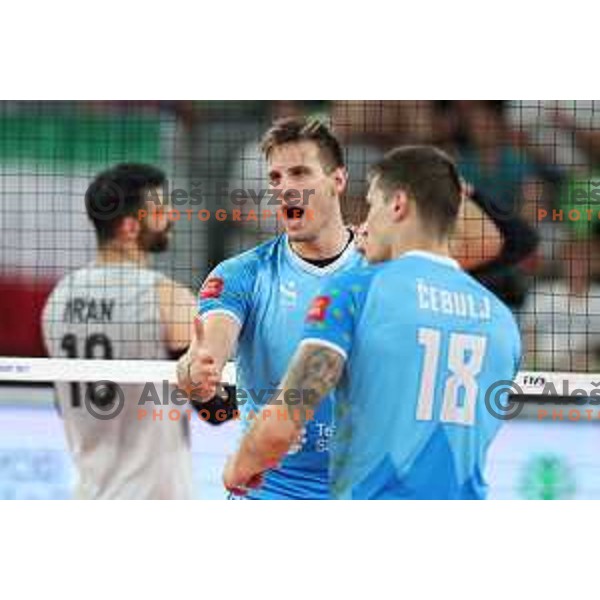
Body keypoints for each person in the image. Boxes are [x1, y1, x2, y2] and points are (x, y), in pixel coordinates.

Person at [178, 116, 516, 500]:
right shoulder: (243, 273)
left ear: (337, 180)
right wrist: (195, 372)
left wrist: (440, 184)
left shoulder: (384, 265)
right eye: (275, 178)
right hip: (271, 486)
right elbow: (208, 348)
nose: (286, 188)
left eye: (300, 173)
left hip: (361, 486)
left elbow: (485, 241)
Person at [42, 163, 200, 499]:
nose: (171, 215)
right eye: (159, 210)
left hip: (90, 493)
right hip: (153, 501)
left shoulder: (58, 299)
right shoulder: (167, 297)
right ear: (130, 227)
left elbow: (64, 403)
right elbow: (217, 408)